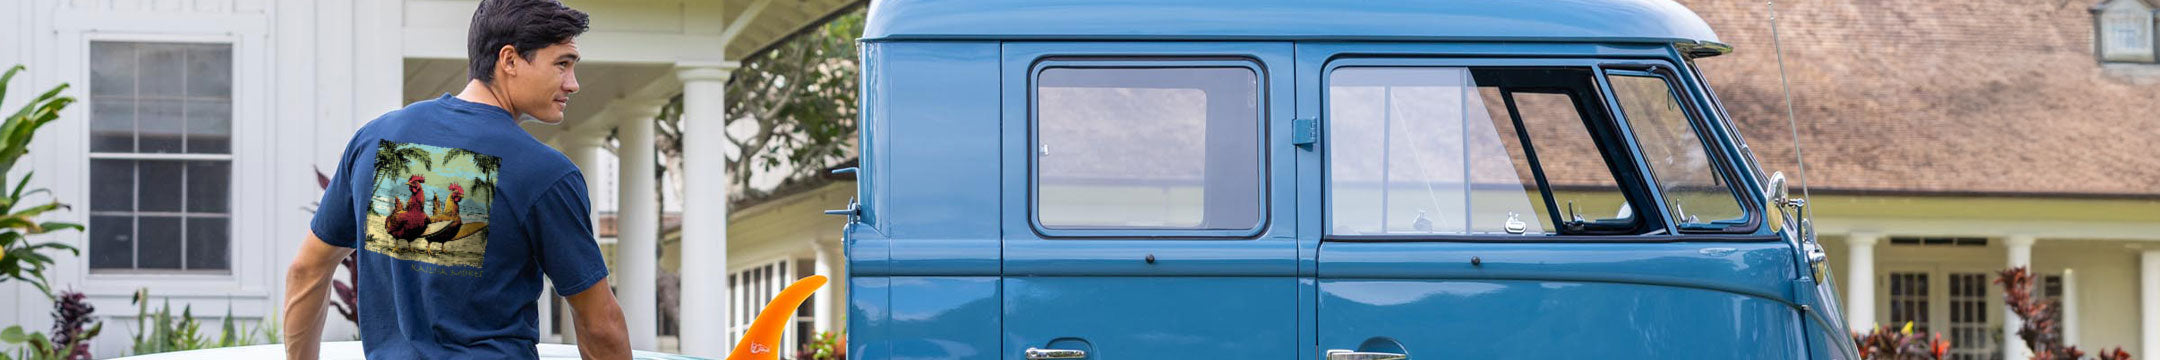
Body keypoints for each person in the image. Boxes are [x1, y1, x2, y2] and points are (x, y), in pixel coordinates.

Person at [282, 0, 628, 359]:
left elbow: (306, 271)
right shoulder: (545, 173)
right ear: (509, 60)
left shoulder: (374, 141)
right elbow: (599, 326)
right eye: (562, 64)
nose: (573, 84)